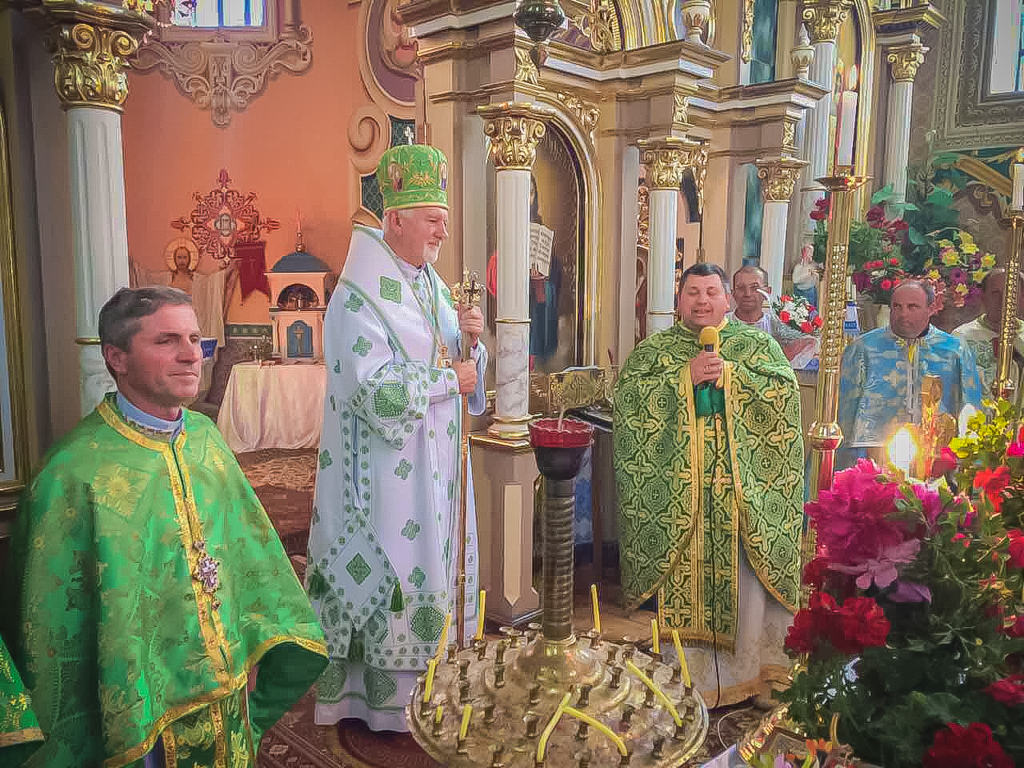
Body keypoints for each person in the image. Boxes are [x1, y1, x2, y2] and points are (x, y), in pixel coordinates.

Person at [2, 286, 328, 767]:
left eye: (194, 338)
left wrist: (252, 643)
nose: (192, 355)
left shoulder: (205, 438)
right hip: (142, 707)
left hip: (228, 688)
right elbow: (53, 634)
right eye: (166, 341)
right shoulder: (73, 474)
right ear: (117, 358)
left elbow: (248, 554)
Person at [307, 144, 488, 732]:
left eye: (443, 219)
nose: (443, 231)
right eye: (432, 219)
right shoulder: (357, 295)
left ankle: (440, 686)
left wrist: (471, 343)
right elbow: (371, 390)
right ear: (395, 220)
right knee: (398, 568)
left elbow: (453, 364)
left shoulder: (430, 283)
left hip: (439, 464)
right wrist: (450, 379)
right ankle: (383, 704)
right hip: (386, 473)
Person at [614, 263, 804, 707]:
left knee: (749, 584)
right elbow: (628, 403)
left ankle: (755, 675)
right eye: (693, 292)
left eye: (711, 292)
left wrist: (730, 377)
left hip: (743, 493)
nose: (702, 301)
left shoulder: (758, 346)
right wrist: (685, 378)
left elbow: (784, 397)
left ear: (727, 300)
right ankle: (688, 682)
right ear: (679, 300)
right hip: (683, 498)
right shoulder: (653, 352)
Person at [838, 280, 984, 469]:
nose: (903, 314)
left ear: (930, 309)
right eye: (897, 306)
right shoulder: (864, 349)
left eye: (912, 307)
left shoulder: (954, 350)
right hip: (874, 456)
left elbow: (970, 407)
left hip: (936, 457)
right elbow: (844, 412)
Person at [953, 268, 1024, 394]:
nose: (1004, 300)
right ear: (983, 297)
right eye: (995, 293)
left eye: (1011, 293)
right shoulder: (961, 337)